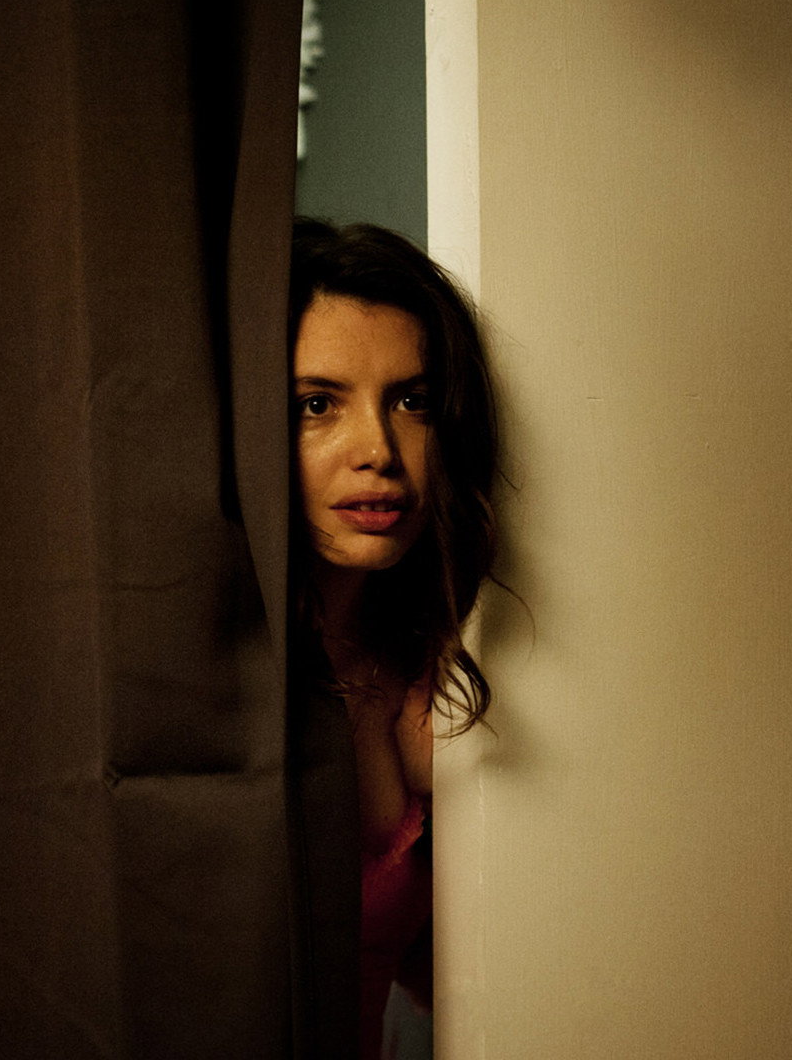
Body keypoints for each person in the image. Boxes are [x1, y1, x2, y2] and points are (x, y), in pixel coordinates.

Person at [287, 218, 500, 1060]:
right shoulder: (210, 686)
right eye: (317, 405)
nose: (377, 451)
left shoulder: (425, 674)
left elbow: (463, 979)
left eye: (412, 402)